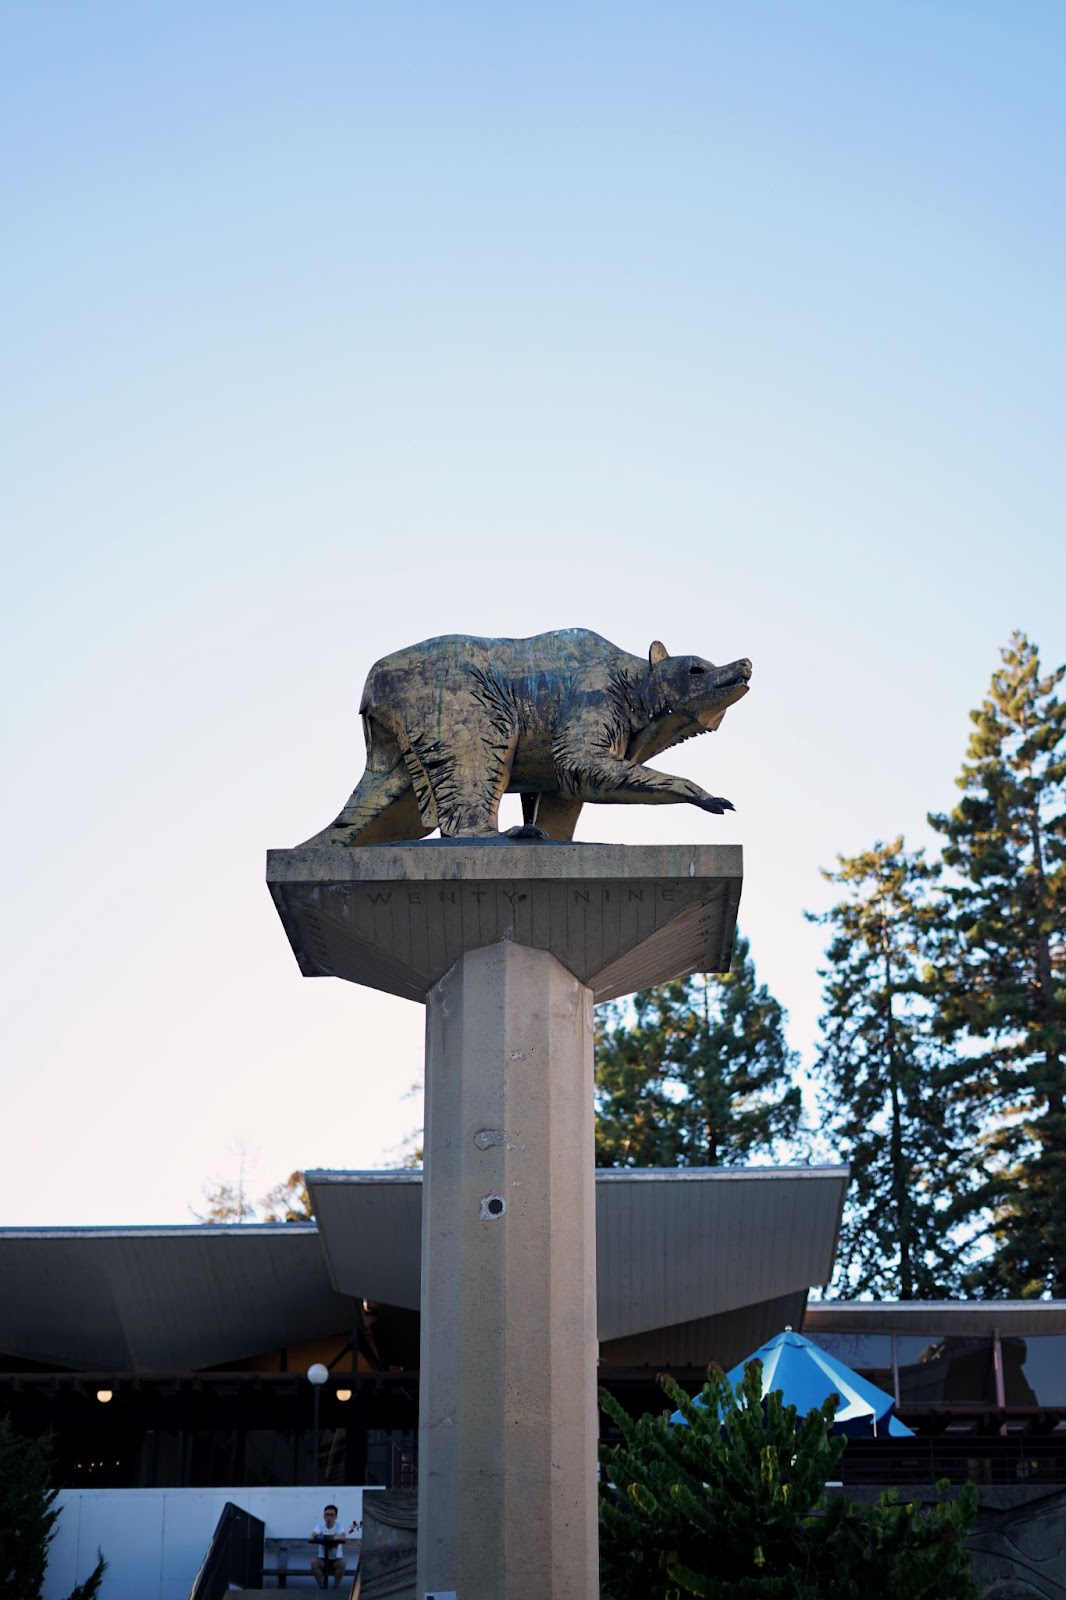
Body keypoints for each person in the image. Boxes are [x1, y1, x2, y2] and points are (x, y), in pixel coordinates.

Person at [309, 1503, 346, 1590]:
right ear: (324, 1516)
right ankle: (323, 1587)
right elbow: (312, 1535)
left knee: (343, 1562)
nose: (329, 1517)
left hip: (336, 1560)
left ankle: (335, 1587)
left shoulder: (339, 1526)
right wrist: (321, 1536)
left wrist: (334, 1537)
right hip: (323, 1560)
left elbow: (343, 1537)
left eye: (331, 1515)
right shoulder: (320, 1526)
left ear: (336, 1517)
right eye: (327, 1514)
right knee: (313, 1562)